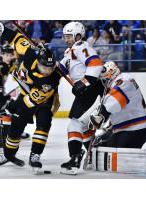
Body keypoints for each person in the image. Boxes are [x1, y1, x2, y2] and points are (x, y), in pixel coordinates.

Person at [0, 22, 61, 170]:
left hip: (45, 99)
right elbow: (15, 37)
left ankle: (35, 155)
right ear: (38, 60)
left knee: (43, 124)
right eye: (44, 67)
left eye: (50, 68)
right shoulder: (30, 52)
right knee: (16, 125)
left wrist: (10, 107)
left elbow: (29, 102)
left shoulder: (49, 81)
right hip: (27, 92)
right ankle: (8, 154)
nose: (47, 70)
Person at [59, 21, 105, 175]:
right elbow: (60, 70)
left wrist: (84, 83)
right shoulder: (70, 51)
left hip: (91, 89)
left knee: (75, 124)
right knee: (83, 127)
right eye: (65, 37)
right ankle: (92, 155)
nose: (66, 39)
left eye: (69, 36)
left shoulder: (81, 47)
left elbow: (96, 64)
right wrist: (45, 57)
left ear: (78, 35)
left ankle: (74, 160)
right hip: (88, 90)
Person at [90, 61, 146, 148]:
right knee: (101, 143)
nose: (103, 82)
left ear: (112, 73)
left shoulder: (123, 81)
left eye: (104, 79)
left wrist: (100, 115)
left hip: (136, 128)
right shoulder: (117, 82)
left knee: (113, 152)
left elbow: (113, 104)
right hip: (127, 128)